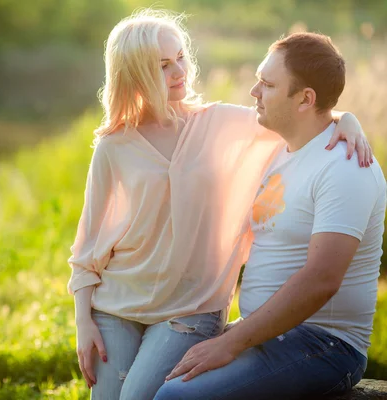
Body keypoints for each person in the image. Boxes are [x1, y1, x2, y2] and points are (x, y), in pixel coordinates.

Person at [68, 9, 373, 400]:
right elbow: (88, 245)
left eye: (181, 57)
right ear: (134, 73)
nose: (179, 70)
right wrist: (84, 320)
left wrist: (347, 119)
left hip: (190, 309)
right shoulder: (113, 145)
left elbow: (303, 115)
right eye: (162, 65)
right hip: (115, 305)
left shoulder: (222, 125)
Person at [155, 32, 386, 400]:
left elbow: (321, 280)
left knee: (175, 397)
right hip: (268, 333)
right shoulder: (283, 148)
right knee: (154, 377)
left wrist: (231, 344)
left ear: (305, 99)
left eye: (267, 84)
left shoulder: (346, 167)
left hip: (324, 345)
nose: (253, 92)